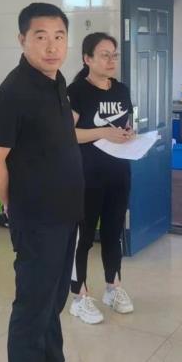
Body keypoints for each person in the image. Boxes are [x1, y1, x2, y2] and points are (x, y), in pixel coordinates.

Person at [0, 2, 97, 362]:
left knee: (53, 302)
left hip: (65, 214)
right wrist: (16, 205)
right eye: (40, 37)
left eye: (59, 36)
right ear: (22, 40)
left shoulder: (56, 81)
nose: (51, 46)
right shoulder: (13, 92)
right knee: (31, 311)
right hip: (37, 220)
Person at [66, 32, 135, 324]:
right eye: (104, 55)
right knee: (82, 237)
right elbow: (66, 134)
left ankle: (113, 287)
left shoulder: (121, 90)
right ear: (87, 59)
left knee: (113, 232)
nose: (111, 60)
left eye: (114, 55)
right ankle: (79, 296)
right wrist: (103, 132)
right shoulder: (76, 91)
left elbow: (126, 124)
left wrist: (129, 134)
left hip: (118, 173)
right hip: (86, 176)